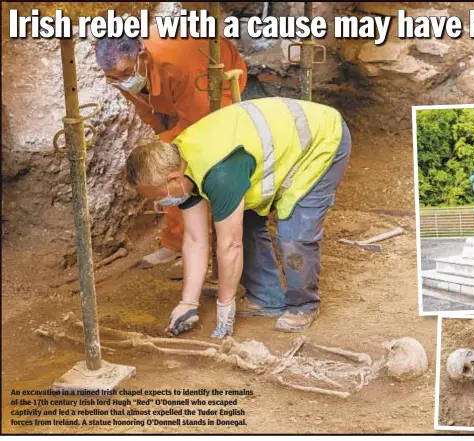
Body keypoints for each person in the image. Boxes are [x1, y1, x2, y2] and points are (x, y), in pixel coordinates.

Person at [125, 97, 352, 337]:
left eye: (157, 196)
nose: (157, 203)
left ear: (172, 179)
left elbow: (230, 246)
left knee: (294, 234)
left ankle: (304, 305)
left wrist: (225, 307)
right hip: (273, 149)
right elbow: (195, 239)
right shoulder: (181, 166)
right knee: (242, 225)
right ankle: (267, 298)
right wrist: (188, 303)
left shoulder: (220, 173)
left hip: (320, 141)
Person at [95, 29, 247, 268]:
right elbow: (145, 108)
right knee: (165, 164)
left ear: (142, 57)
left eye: (125, 74)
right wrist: (161, 137)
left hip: (209, 86)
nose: (122, 82)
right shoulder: (122, 73)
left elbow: (198, 124)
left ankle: (205, 244)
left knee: (191, 163)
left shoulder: (179, 65)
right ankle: (176, 243)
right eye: (114, 78)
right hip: (169, 95)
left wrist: (167, 142)